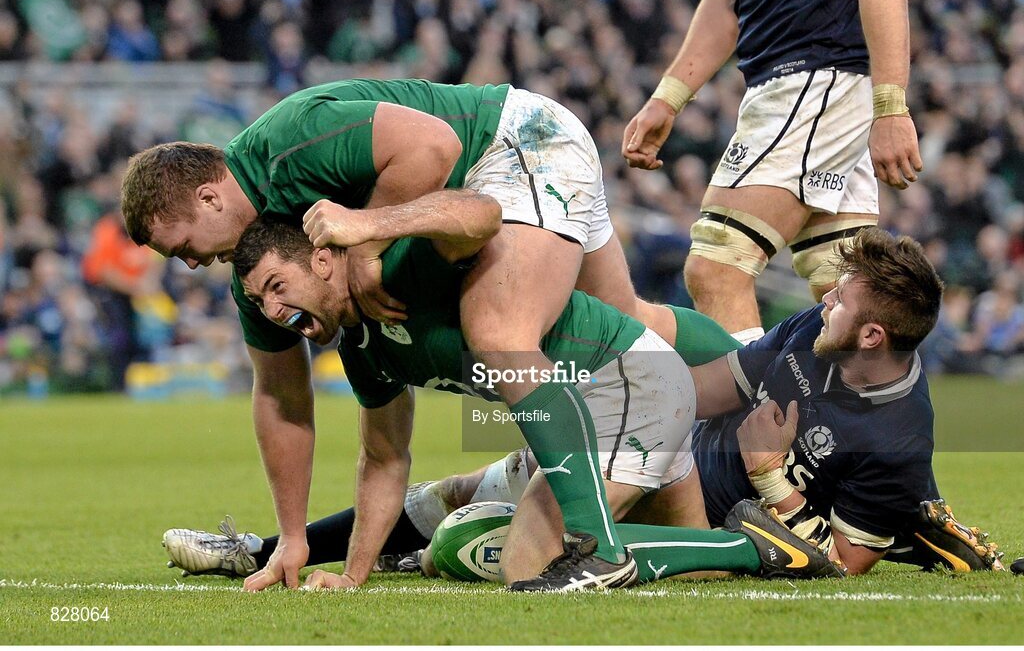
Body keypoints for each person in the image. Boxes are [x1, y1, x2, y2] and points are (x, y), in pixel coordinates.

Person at [121, 79, 738, 588]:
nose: (191, 266)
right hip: (475, 224)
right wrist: (292, 537)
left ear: (208, 198)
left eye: (183, 249)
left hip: (513, 142)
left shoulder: (290, 142)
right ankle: (756, 375)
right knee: (626, 321)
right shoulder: (265, 271)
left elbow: (436, 147)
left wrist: (370, 241)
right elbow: (283, 400)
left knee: (500, 328)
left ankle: (596, 539)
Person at [165, 229, 1003, 579]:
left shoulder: (894, 438)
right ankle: (269, 549)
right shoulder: (802, 337)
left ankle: (451, 556)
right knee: (447, 495)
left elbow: (839, 565)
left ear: (872, 338)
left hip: (715, 509)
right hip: (659, 445)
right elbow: (715, 373)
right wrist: (588, 385)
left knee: (484, 545)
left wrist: (769, 475)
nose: (824, 301)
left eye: (842, 302)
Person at [205, 196, 838, 590]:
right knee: (692, 566)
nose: (272, 309)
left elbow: (480, 213)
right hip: (582, 407)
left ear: (320, 261)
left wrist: (375, 222)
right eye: (259, 302)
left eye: (275, 285)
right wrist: (352, 574)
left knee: (528, 565)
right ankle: (759, 548)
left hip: (628, 384)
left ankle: (749, 545)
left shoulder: (401, 266)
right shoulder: (360, 347)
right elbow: (384, 458)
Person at [622, 0, 923, 345]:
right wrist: (668, 97)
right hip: (800, 86)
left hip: (815, 79)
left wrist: (891, 105)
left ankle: (748, 407)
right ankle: (872, 408)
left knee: (718, 263)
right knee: (844, 290)